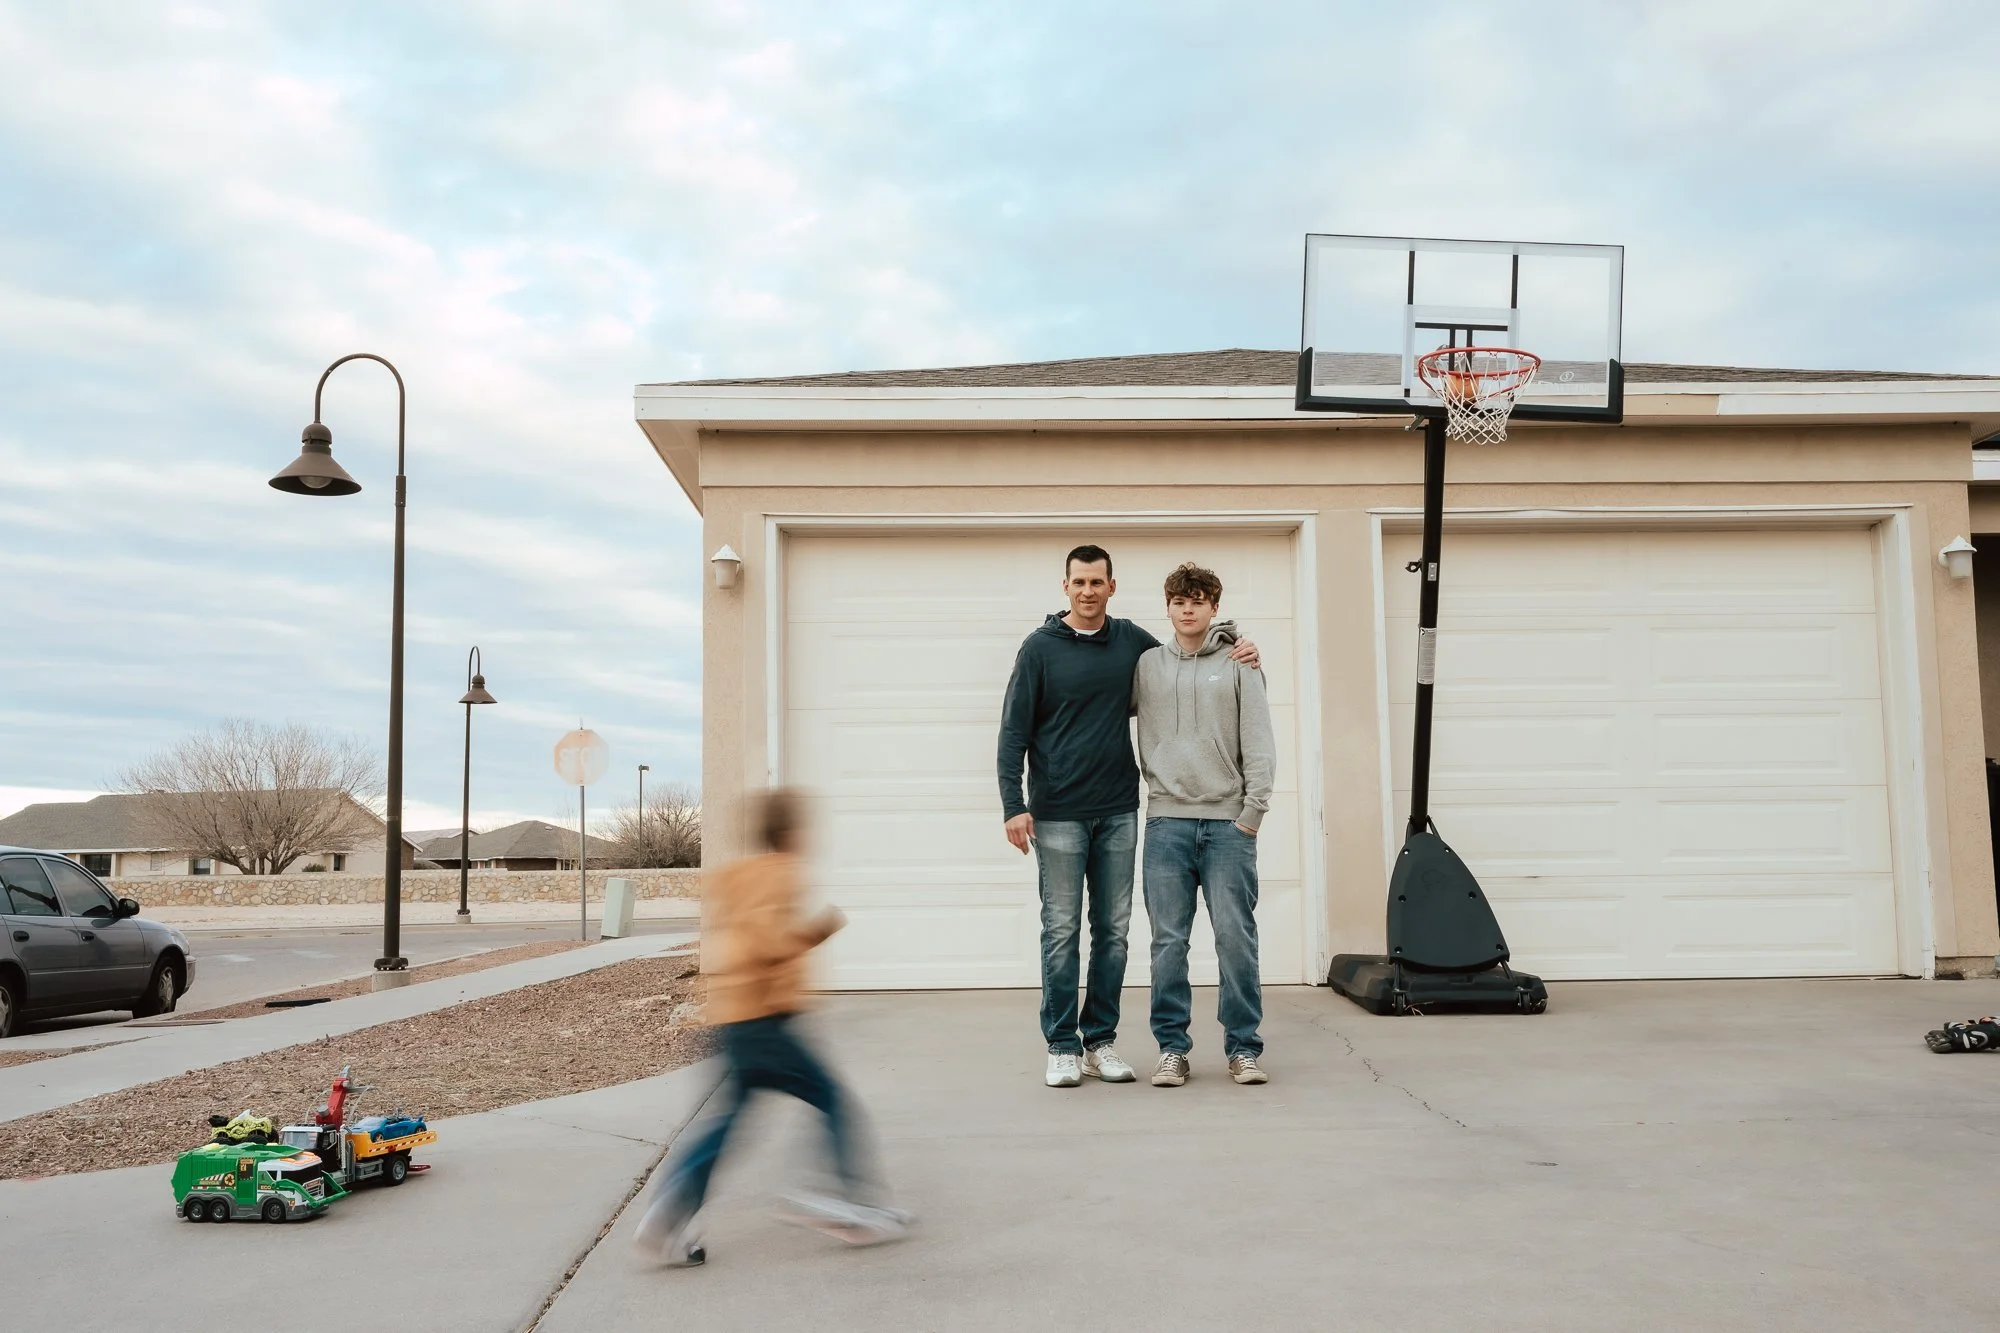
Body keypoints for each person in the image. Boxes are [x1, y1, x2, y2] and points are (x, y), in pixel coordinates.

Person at [997, 545, 1258, 1089]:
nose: (1088, 591)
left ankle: (1100, 1041)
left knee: (1113, 933)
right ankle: (1063, 1045)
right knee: (1062, 929)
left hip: (1118, 810)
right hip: (1058, 814)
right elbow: (1013, 732)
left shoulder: (1132, 645)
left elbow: (1186, 650)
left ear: (1111, 587)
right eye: (1079, 582)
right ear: (1065, 587)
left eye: (1097, 582)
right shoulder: (1038, 650)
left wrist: (1239, 644)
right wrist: (1013, 805)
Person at [634, 789, 908, 1267]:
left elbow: (740, 935)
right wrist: (817, 929)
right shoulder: (779, 872)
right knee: (832, 1100)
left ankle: (666, 1216)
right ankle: (851, 1205)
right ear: (791, 833)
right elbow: (766, 941)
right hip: (764, 1023)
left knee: (726, 1124)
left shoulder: (738, 875)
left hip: (734, 1019)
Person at [1135, 563, 1276, 1087]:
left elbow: (1259, 738)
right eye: (1178, 601)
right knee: (1168, 944)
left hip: (1227, 829)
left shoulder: (1239, 662)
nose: (1188, 609)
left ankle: (1243, 1049)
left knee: (1235, 940)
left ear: (1214, 607)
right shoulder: (1147, 664)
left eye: (1198, 600)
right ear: (1168, 607)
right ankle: (1172, 1048)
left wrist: (1253, 813)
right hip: (1166, 824)